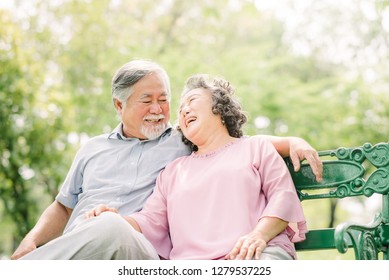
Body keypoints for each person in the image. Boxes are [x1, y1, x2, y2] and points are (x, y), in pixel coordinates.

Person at [12, 59, 321, 260]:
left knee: (110, 230)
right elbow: (70, 207)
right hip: (91, 246)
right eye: (146, 100)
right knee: (108, 227)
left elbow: (265, 174)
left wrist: (293, 141)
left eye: (167, 100)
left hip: (230, 255)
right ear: (119, 105)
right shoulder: (168, 168)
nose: (164, 109)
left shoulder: (202, 144)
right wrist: (35, 240)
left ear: (219, 109)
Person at [87, 74, 308, 260]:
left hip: (256, 253)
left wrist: (259, 235)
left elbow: (283, 195)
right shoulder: (173, 171)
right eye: (181, 110)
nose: (184, 111)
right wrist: (115, 220)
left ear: (219, 108)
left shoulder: (256, 147)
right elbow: (151, 220)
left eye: (192, 101)